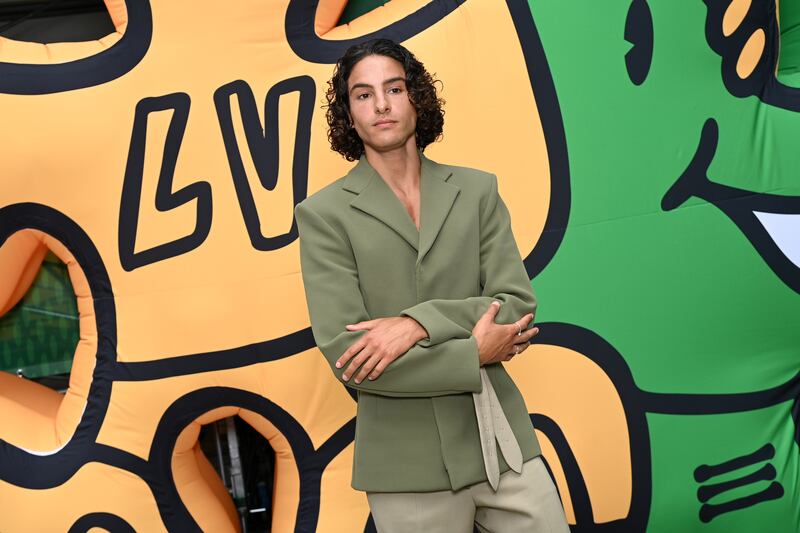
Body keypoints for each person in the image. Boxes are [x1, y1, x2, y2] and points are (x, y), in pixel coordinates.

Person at [294, 38, 570, 533]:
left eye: (394, 88)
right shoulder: (322, 215)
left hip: (501, 440)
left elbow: (516, 307)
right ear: (348, 115)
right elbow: (350, 356)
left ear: (416, 97)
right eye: (363, 94)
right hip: (404, 465)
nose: (381, 104)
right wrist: (473, 352)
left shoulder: (478, 189)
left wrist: (415, 325)